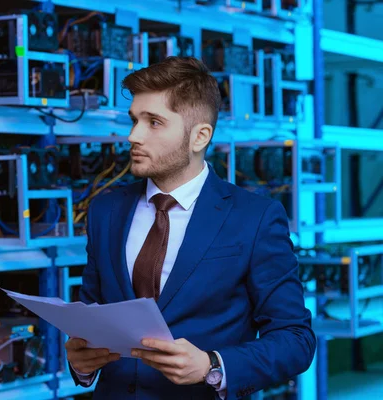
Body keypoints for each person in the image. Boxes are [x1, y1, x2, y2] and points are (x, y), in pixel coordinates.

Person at [65, 56, 316, 399]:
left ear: (199, 137)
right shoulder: (105, 210)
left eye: (153, 122)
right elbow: (92, 315)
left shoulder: (254, 218)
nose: (133, 136)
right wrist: (81, 362)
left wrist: (213, 366)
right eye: (134, 120)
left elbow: (295, 340)